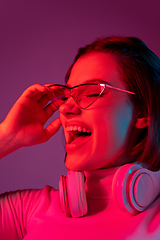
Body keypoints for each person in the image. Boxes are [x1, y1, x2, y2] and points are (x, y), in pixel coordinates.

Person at [0, 36, 160, 239]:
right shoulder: (28, 210)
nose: (66, 107)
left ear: (143, 112)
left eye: (92, 93)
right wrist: (7, 137)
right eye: (67, 96)